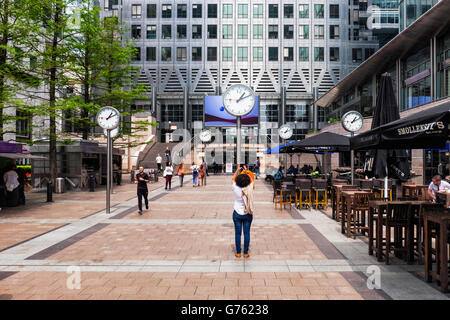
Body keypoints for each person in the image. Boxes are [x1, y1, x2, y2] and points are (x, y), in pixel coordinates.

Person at [232, 165, 254, 259]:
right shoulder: (249, 187)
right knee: (247, 233)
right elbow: (252, 179)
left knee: (237, 233)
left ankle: (238, 252)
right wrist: (246, 171)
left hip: (237, 213)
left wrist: (238, 170)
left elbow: (233, 179)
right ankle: (245, 253)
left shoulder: (235, 187)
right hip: (247, 214)